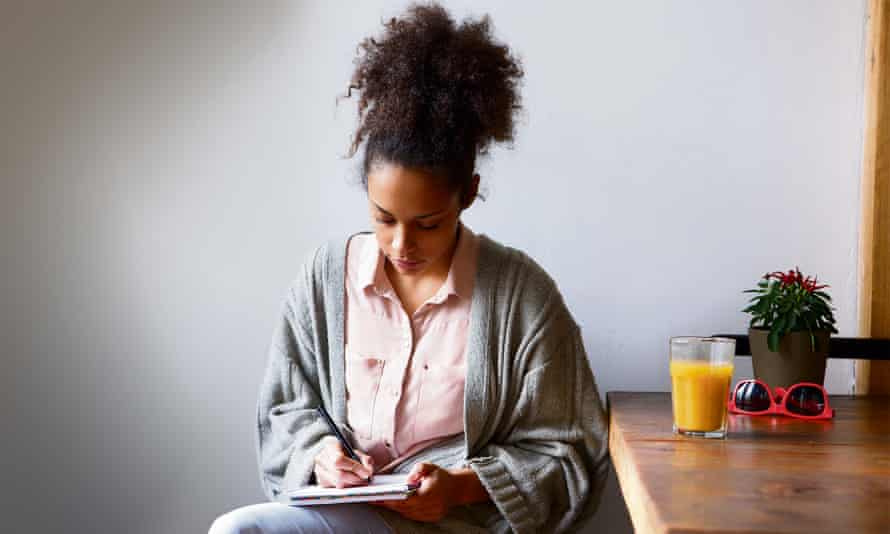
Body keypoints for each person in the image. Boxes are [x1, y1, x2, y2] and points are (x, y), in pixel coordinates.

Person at [209, 3, 608, 533]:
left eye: (427, 223)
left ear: (468, 194)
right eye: (383, 218)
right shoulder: (325, 280)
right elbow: (286, 408)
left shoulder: (522, 296)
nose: (401, 243)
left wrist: (462, 486)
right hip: (350, 515)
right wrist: (322, 456)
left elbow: (568, 452)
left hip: (457, 524)